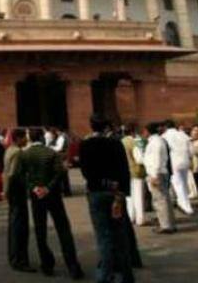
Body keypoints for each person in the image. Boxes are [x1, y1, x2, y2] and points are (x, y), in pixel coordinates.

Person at [17, 128, 84, 279]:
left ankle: (47, 264)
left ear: (29, 138)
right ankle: (73, 266)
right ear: (42, 137)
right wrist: (48, 188)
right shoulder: (51, 153)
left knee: (40, 231)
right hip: (53, 195)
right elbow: (59, 173)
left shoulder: (25, 154)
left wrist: (34, 188)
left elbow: (21, 176)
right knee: (63, 229)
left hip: (36, 196)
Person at [79, 115, 134, 283]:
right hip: (116, 193)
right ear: (106, 128)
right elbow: (124, 169)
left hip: (96, 193)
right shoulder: (115, 143)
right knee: (120, 235)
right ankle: (126, 275)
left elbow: (85, 171)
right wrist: (123, 191)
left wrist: (98, 183)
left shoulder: (86, 144)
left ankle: (105, 276)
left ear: (91, 126)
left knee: (103, 236)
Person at [3, 128, 34, 273]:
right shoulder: (17, 153)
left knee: (14, 224)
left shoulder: (9, 150)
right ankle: (19, 260)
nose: (27, 140)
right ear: (19, 138)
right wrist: (8, 191)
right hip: (17, 192)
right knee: (19, 227)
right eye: (25, 137)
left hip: (13, 192)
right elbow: (13, 174)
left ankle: (14, 257)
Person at [142, 123, 176, 234]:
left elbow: (156, 159)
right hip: (159, 172)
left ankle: (165, 225)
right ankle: (169, 223)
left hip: (157, 173)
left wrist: (154, 175)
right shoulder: (157, 141)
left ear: (148, 131)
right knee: (164, 199)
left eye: (144, 131)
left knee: (160, 200)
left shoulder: (156, 142)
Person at [162, 120, 194, 215]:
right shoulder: (182, 134)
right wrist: (190, 157)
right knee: (183, 184)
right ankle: (183, 203)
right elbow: (191, 149)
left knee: (179, 185)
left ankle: (186, 207)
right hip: (185, 161)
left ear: (165, 127)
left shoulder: (165, 136)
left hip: (174, 162)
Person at [122, 124, 146, 226]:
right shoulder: (134, 143)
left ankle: (130, 216)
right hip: (136, 171)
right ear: (133, 132)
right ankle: (140, 219)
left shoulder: (121, 142)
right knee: (139, 196)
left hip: (125, 171)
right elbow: (139, 159)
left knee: (129, 196)